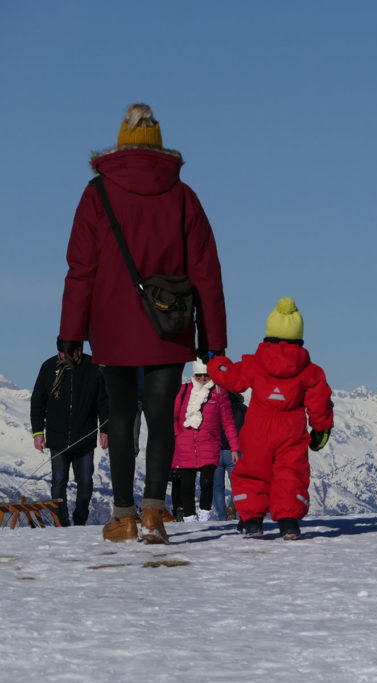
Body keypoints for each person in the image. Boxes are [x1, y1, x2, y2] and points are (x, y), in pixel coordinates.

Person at [58, 103, 228, 543]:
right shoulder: (183, 196)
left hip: (113, 324)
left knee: (119, 416)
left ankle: (123, 517)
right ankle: (154, 512)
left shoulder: (97, 194)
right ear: (159, 146)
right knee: (159, 415)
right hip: (169, 322)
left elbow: (81, 268)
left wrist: (71, 332)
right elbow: (206, 271)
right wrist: (213, 340)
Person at [208, 297, 333, 540]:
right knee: (290, 473)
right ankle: (288, 523)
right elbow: (320, 403)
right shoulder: (311, 371)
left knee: (253, 472)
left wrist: (216, 362)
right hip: (291, 429)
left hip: (257, 428)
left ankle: (252, 521)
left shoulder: (255, 363)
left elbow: (231, 377)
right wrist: (321, 430)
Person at [30, 347, 110, 526]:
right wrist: (37, 433)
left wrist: (105, 430)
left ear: (78, 350)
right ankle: (61, 522)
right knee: (58, 482)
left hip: (85, 438)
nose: (65, 357)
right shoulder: (48, 367)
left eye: (70, 353)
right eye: (62, 353)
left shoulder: (93, 367)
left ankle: (80, 519)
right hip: (57, 438)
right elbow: (37, 401)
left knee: (86, 484)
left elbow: (104, 401)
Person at [170, 359, 240, 522]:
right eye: (199, 375)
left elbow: (228, 422)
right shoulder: (184, 390)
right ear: (194, 375)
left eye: (206, 375)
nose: (202, 378)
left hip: (209, 444)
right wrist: (178, 435)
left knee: (207, 483)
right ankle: (188, 517)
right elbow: (172, 415)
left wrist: (234, 448)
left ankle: (204, 514)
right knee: (187, 485)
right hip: (185, 444)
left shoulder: (218, 392)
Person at [212, 391, 247, 520]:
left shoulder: (216, 406)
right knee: (237, 484)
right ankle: (235, 508)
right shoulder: (243, 409)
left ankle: (222, 516)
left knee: (218, 487)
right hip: (235, 452)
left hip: (216, 451)